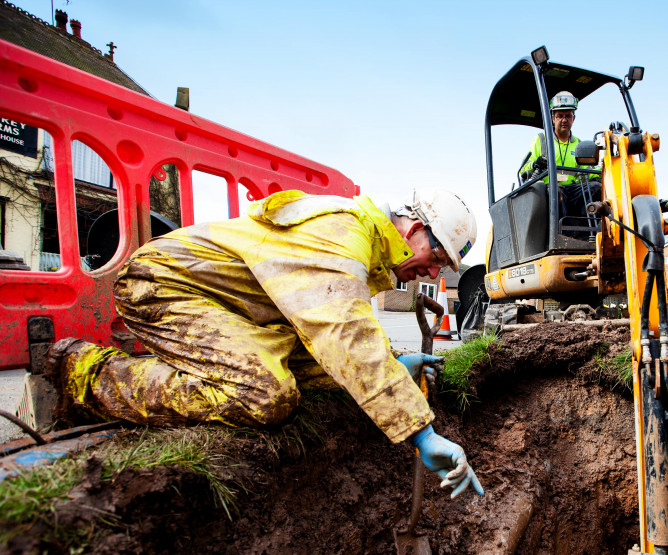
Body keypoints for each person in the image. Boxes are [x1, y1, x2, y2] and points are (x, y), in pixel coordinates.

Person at [44, 188, 483, 498]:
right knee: (264, 394)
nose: (433, 274)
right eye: (438, 258)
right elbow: (344, 331)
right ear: (414, 230)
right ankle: (85, 371)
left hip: (240, 311)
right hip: (167, 285)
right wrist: (421, 434)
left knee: (329, 376)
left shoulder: (366, 247)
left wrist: (394, 359)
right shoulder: (342, 231)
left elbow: (328, 328)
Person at [518, 90, 601, 229]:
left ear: (573, 118)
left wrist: (599, 176)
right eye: (560, 116)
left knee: (596, 188)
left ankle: (587, 233)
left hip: (572, 190)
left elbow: (587, 170)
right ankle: (563, 237)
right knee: (557, 191)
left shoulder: (578, 145)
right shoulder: (542, 140)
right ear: (552, 118)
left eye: (568, 116)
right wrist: (536, 163)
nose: (564, 120)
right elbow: (524, 169)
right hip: (548, 191)